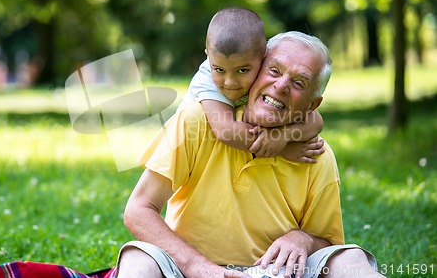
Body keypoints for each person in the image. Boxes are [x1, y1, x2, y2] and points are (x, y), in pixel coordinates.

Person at [114, 31, 385, 278]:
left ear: (312, 105)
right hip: (190, 269)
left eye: (299, 83)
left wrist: (304, 239)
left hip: (275, 274)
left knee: (351, 259)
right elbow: (139, 210)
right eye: (274, 70)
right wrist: (198, 267)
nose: (280, 86)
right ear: (254, 71)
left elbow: (328, 245)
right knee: (139, 259)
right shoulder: (198, 120)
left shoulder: (315, 154)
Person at [178, 7, 324, 161]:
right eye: (219, 69)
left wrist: (283, 135)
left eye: (242, 71)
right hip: (182, 152)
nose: (230, 82)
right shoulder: (206, 79)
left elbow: (316, 121)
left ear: (263, 56)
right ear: (208, 55)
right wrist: (284, 148)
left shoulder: (257, 65)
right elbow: (226, 131)